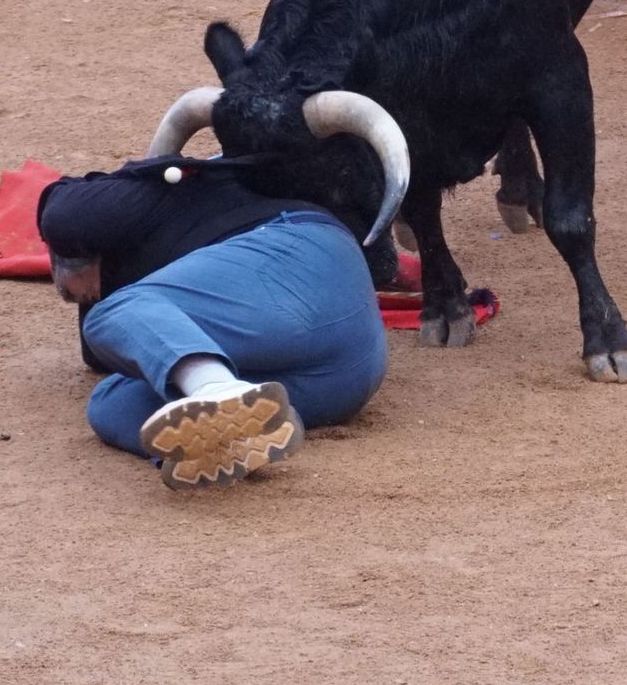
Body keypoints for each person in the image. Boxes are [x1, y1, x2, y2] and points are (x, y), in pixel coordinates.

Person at [36, 155, 389, 490]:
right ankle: (230, 436)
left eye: (74, 284)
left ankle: (217, 389)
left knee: (112, 314)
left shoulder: (162, 196)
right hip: (339, 381)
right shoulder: (167, 291)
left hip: (302, 259)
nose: (81, 295)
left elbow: (64, 212)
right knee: (109, 403)